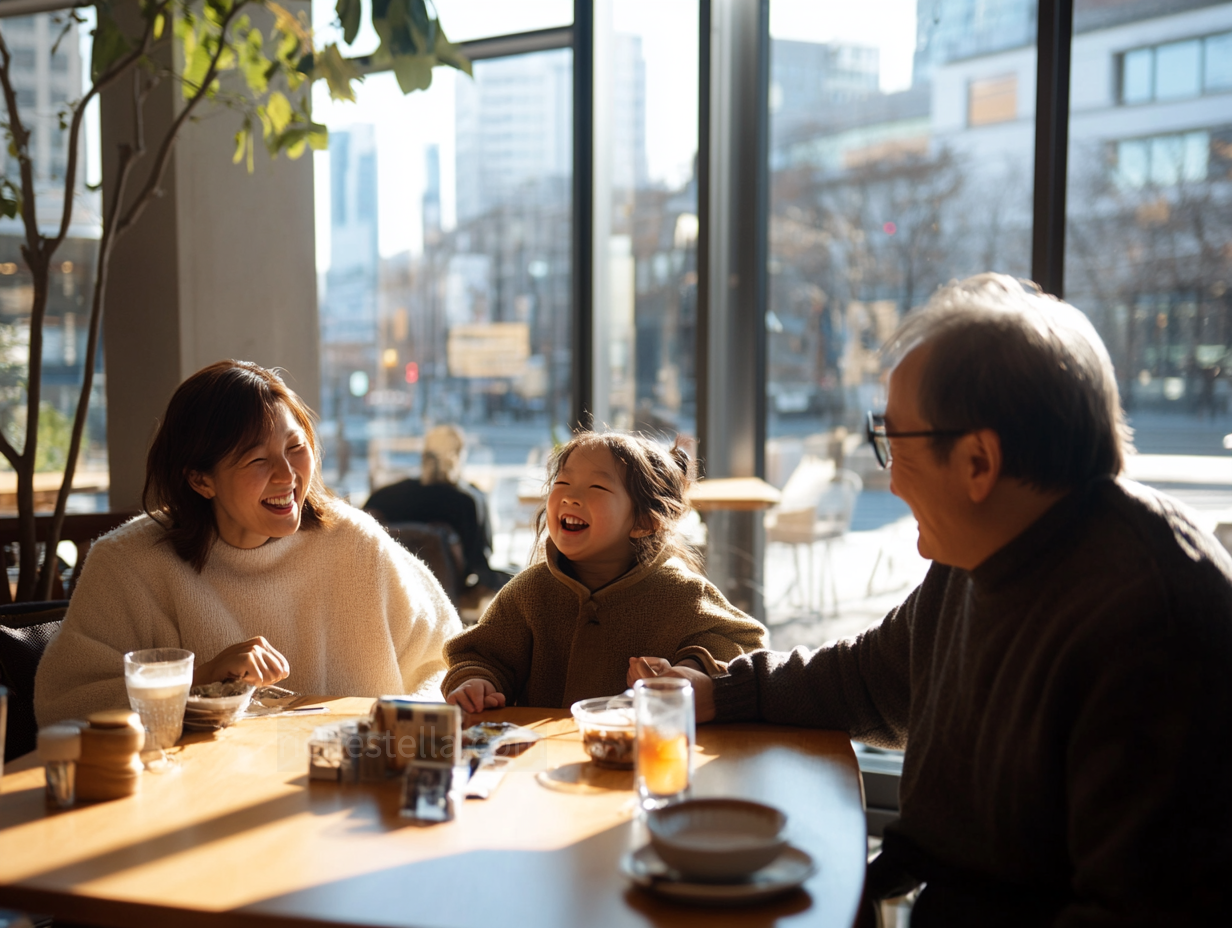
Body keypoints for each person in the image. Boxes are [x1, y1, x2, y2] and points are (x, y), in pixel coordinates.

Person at [644, 274, 1232, 925]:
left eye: (894, 442)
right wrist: (720, 692)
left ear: (979, 461)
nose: (887, 479)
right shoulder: (986, 549)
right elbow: (877, 676)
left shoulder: (1151, 621)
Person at [35, 361, 463, 724]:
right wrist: (201, 676)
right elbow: (62, 704)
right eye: (258, 459)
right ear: (200, 479)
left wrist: (401, 729)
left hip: (350, 797)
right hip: (194, 803)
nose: (287, 475)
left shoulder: (355, 544)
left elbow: (447, 663)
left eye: (296, 447)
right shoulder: (129, 564)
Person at [441, 432, 768, 712]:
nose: (569, 495)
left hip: (644, 755)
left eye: (596, 487)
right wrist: (477, 682)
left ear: (645, 522)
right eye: (563, 481)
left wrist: (690, 669)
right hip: (542, 763)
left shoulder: (680, 592)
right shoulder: (530, 590)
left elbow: (747, 644)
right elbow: (482, 655)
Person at [364, 424, 511, 591]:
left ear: (424, 454)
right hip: (448, 596)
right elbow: (479, 563)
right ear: (458, 456)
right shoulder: (468, 502)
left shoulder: (383, 497)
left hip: (391, 591)